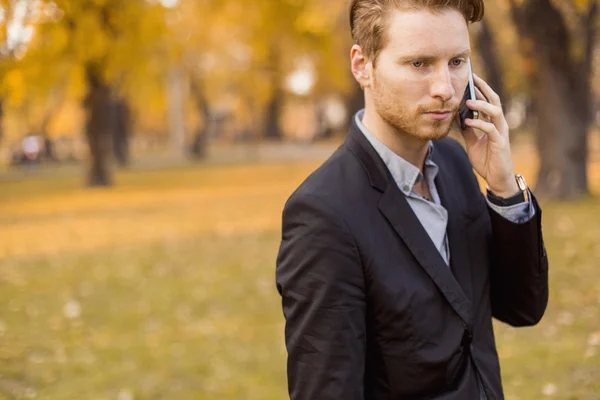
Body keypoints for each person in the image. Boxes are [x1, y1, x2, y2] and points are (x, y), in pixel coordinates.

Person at [275, 1, 549, 399]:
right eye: (419, 64)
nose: (445, 88)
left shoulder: (456, 162)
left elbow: (522, 307)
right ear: (362, 65)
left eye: (457, 62)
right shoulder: (322, 215)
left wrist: (504, 187)